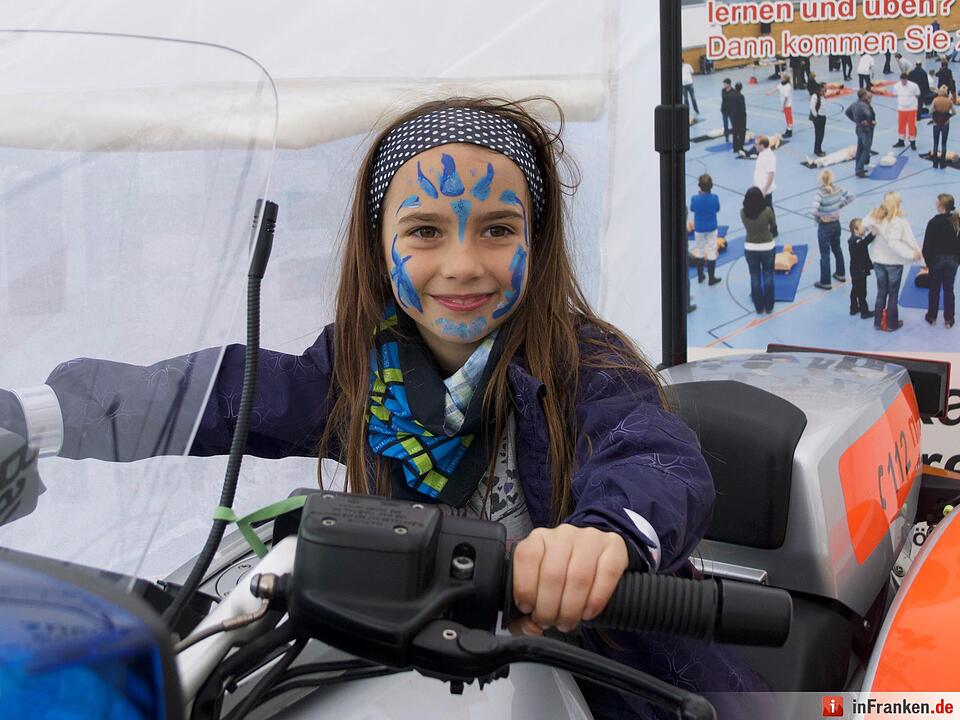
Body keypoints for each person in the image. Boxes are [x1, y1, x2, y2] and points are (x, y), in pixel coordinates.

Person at [0, 97, 768, 719]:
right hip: (430, 673)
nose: (462, 264)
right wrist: (38, 418)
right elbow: (222, 394)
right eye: (425, 231)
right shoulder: (358, 370)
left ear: (539, 240)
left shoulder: (585, 365)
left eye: (498, 230)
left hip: (620, 679)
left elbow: (654, 456)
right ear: (380, 244)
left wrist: (603, 538)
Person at [866, 192, 923, 331]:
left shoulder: (877, 216)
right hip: (893, 263)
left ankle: (878, 322)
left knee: (881, 292)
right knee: (892, 294)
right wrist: (911, 254)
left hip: (878, 261)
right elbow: (894, 243)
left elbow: (866, 226)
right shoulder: (897, 222)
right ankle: (891, 324)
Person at [922, 193, 960, 328]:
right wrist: (957, 260)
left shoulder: (933, 222)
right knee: (949, 289)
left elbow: (927, 246)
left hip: (936, 261)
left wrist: (929, 263)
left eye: (936, 202)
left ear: (941, 206)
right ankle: (949, 319)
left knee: (934, 289)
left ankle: (931, 316)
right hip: (952, 261)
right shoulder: (957, 220)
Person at [810, 170, 853, 289]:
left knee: (825, 254)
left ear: (821, 180)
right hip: (836, 224)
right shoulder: (838, 189)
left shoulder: (820, 194)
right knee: (837, 249)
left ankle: (825, 282)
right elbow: (851, 196)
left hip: (825, 227)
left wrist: (821, 216)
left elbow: (813, 210)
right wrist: (839, 206)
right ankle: (841, 274)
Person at [741, 186, 777, 314]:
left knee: (754, 276)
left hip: (750, 247)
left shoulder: (743, 212)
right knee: (768, 275)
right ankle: (769, 306)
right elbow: (773, 226)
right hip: (767, 246)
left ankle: (759, 306)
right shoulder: (767, 211)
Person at [690, 174, 722, 286]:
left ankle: (700, 276)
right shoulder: (714, 198)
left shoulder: (694, 198)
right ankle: (711, 278)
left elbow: (692, 208)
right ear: (711, 186)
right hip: (711, 228)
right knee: (711, 251)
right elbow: (717, 209)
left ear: (700, 186)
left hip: (699, 228)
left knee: (699, 250)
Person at [845, 89, 877, 178]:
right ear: (863, 96)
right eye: (867, 95)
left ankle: (858, 167)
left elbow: (847, 113)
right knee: (866, 150)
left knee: (860, 149)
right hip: (866, 130)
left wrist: (856, 121)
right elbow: (869, 116)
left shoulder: (854, 104)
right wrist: (870, 122)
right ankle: (859, 169)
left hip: (858, 128)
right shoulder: (864, 105)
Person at [848, 218, 875, 319]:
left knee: (855, 289)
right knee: (862, 291)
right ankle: (864, 311)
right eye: (862, 226)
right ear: (855, 229)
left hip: (855, 270)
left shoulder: (853, 239)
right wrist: (872, 234)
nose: (864, 227)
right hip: (859, 271)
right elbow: (864, 243)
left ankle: (853, 308)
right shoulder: (857, 241)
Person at [753, 135, 779, 237]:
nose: (755, 146)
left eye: (756, 144)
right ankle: (765, 227)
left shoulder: (769, 156)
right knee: (762, 210)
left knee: (768, 210)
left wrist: (764, 190)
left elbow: (771, 174)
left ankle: (773, 229)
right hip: (760, 188)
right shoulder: (762, 153)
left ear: (762, 145)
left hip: (765, 190)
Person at [892, 72, 921, 150]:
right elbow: (894, 94)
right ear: (900, 79)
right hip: (901, 108)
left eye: (905, 80)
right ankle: (901, 141)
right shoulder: (896, 86)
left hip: (911, 108)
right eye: (902, 80)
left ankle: (912, 142)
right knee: (901, 125)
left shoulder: (913, 86)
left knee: (911, 126)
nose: (903, 82)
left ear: (907, 79)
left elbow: (918, 94)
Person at [931, 85, 956, 168]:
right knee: (944, 143)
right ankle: (942, 164)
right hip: (945, 123)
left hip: (936, 124)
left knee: (935, 143)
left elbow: (931, 111)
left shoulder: (935, 100)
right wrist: (948, 116)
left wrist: (935, 117)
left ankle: (935, 163)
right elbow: (954, 112)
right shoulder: (949, 101)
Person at [766, 72, 794, 137]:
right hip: (784, 104)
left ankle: (789, 132)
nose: (780, 78)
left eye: (782, 77)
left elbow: (786, 98)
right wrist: (769, 92)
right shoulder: (781, 84)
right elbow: (776, 89)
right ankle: (788, 130)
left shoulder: (788, 86)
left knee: (789, 118)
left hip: (787, 105)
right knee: (787, 118)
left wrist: (783, 107)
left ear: (785, 79)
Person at [808, 78, 827, 156]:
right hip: (818, 117)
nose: (826, 88)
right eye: (825, 87)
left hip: (823, 116)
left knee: (821, 134)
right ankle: (817, 151)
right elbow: (812, 107)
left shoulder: (822, 96)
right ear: (821, 88)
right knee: (819, 134)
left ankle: (819, 149)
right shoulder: (815, 96)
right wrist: (816, 116)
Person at [729, 81, 748, 155]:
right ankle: (740, 147)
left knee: (735, 132)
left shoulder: (730, 95)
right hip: (740, 117)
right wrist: (744, 116)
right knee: (741, 133)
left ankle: (735, 148)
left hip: (733, 116)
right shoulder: (741, 96)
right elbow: (742, 108)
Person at [720, 77, 734, 143]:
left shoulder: (733, 91)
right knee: (725, 124)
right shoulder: (723, 90)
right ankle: (726, 136)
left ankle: (735, 135)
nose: (724, 85)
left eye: (725, 84)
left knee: (733, 123)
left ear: (729, 84)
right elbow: (725, 97)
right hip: (724, 110)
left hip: (731, 110)